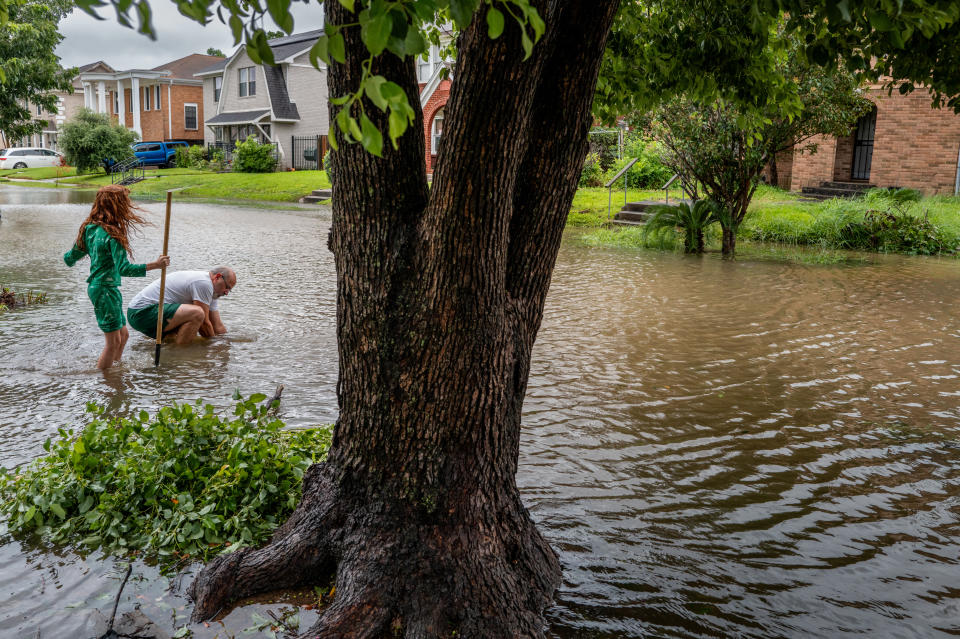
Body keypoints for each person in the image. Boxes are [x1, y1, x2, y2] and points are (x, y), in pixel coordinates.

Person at [64, 184, 170, 370]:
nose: (128, 206)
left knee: (124, 336)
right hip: (104, 291)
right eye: (125, 203)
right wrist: (156, 264)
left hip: (101, 289)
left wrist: (68, 259)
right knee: (112, 342)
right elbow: (124, 269)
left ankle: (115, 370)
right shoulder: (113, 234)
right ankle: (105, 379)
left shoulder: (89, 228)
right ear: (117, 206)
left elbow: (71, 256)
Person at [127, 267, 236, 344]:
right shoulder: (204, 283)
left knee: (186, 330)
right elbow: (204, 324)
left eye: (229, 290)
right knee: (197, 313)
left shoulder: (214, 292)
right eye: (227, 287)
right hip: (140, 313)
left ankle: (172, 351)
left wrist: (226, 343)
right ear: (217, 277)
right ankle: (179, 354)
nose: (226, 292)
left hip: (150, 313)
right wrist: (214, 345)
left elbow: (217, 326)